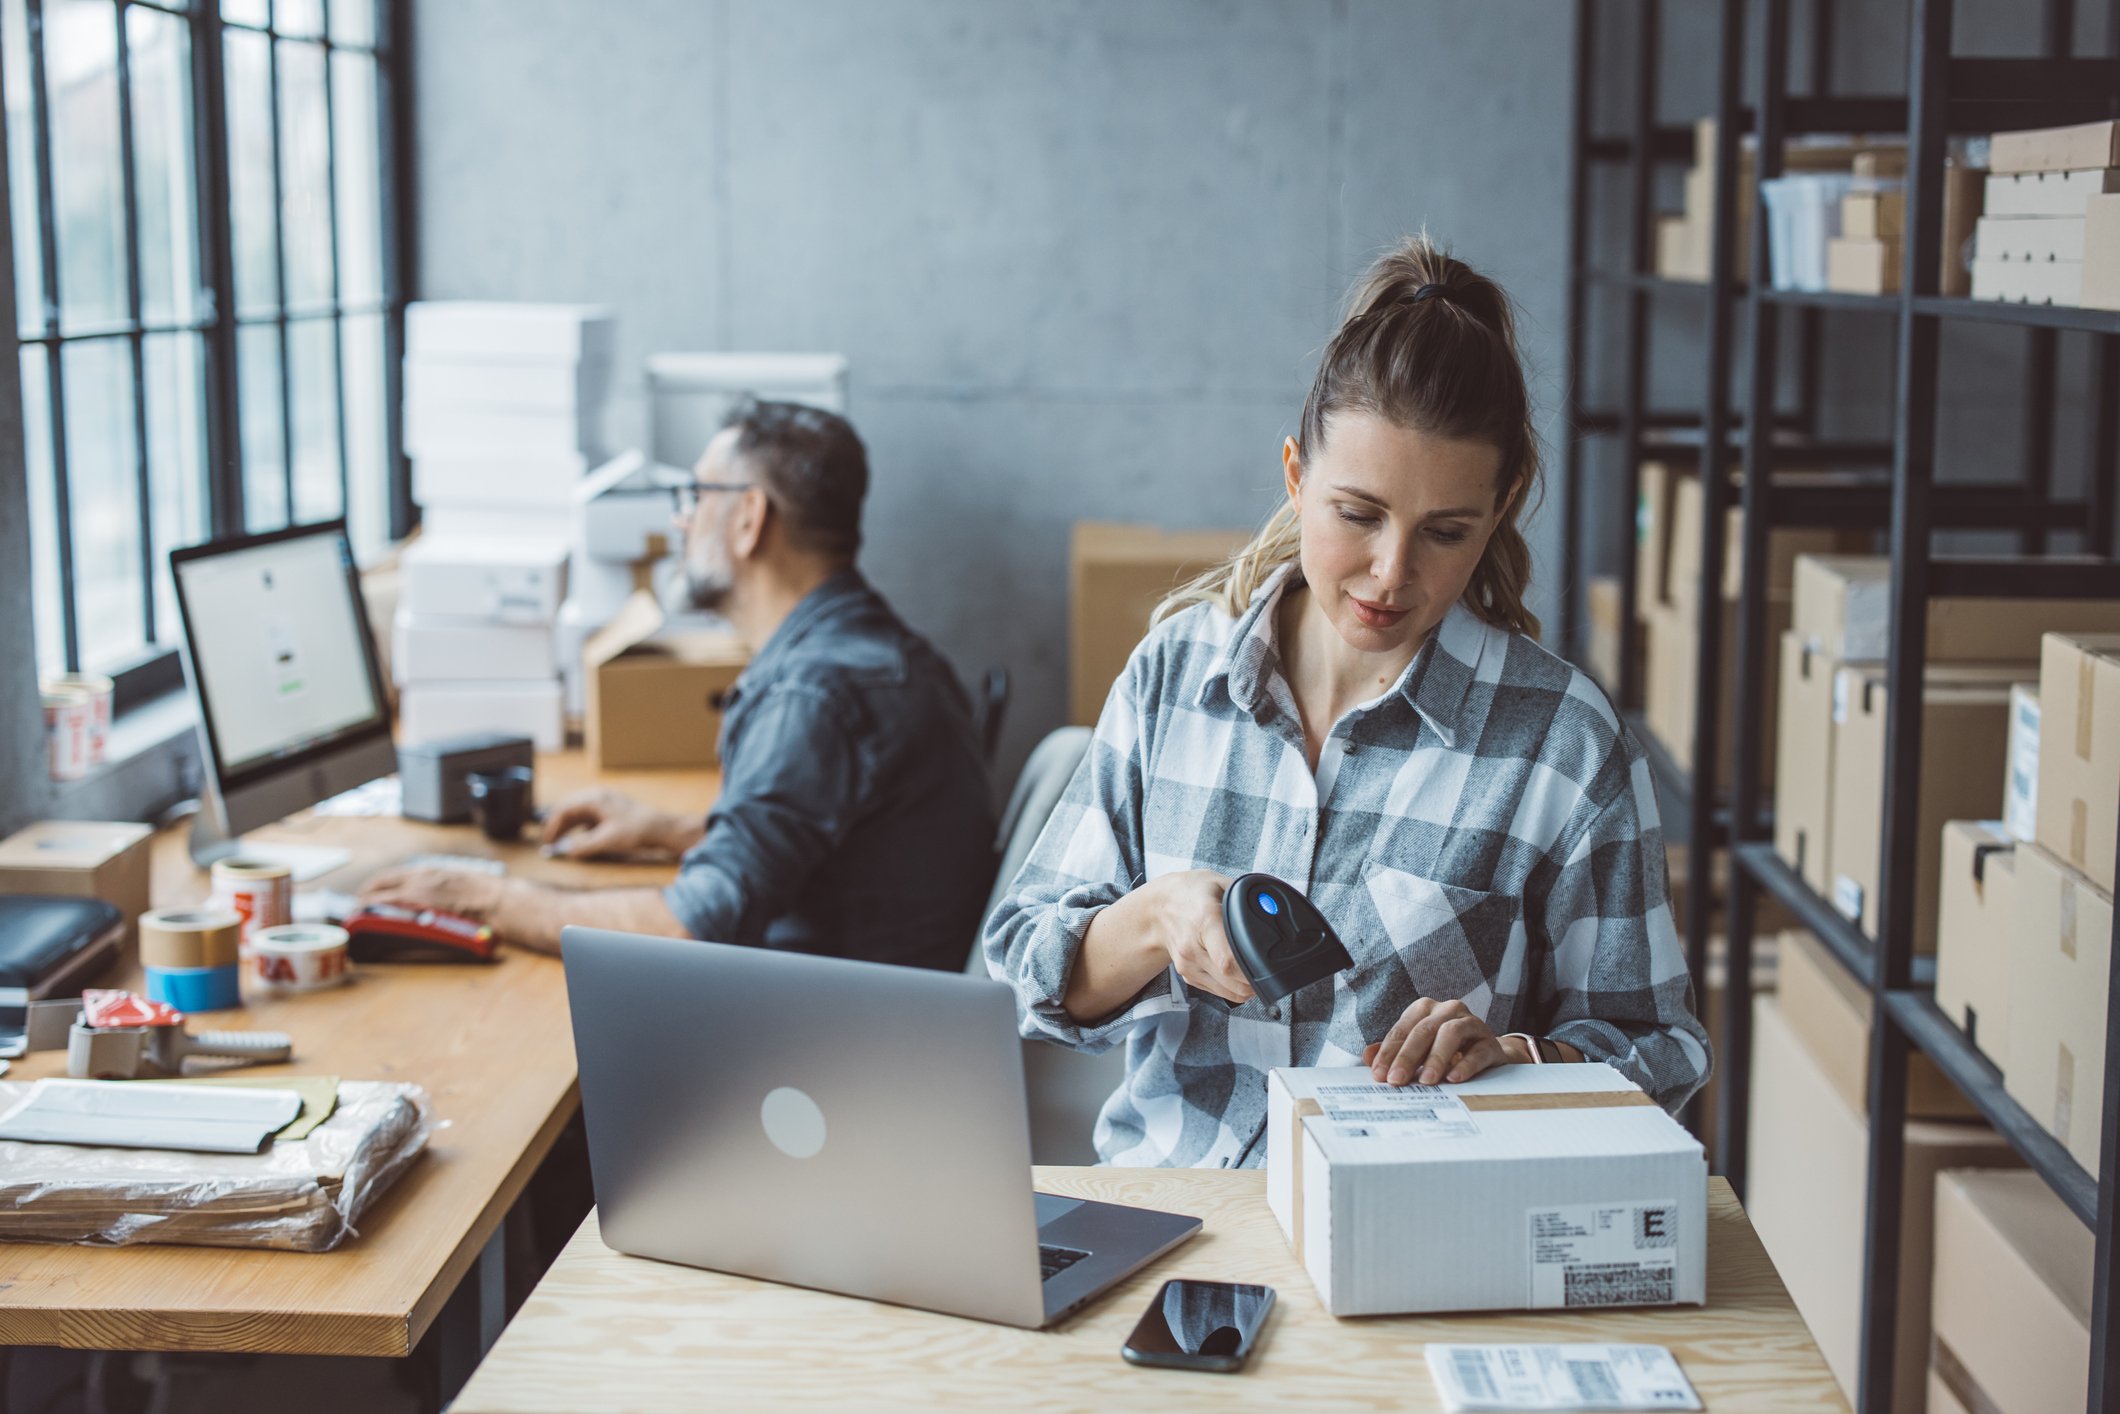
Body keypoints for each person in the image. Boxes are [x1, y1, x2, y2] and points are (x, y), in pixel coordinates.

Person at [983, 236, 1710, 1169]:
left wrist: (1522, 1060)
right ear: (1295, 474)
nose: (1391, 572)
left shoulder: (1560, 743)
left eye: (1445, 532)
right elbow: (1025, 975)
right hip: (1175, 1222)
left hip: (1406, 1244)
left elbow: (1660, 1052)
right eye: (1357, 515)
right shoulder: (1174, 677)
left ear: (1503, 508)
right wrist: (1156, 919)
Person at [361, 400, 997, 973]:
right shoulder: (883, 651)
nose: (682, 523)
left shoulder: (812, 695)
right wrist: (667, 830)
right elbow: (842, 846)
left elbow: (691, 928)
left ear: (750, 517)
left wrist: (486, 896)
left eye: (695, 496)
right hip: (886, 1006)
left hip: (828, 1049)